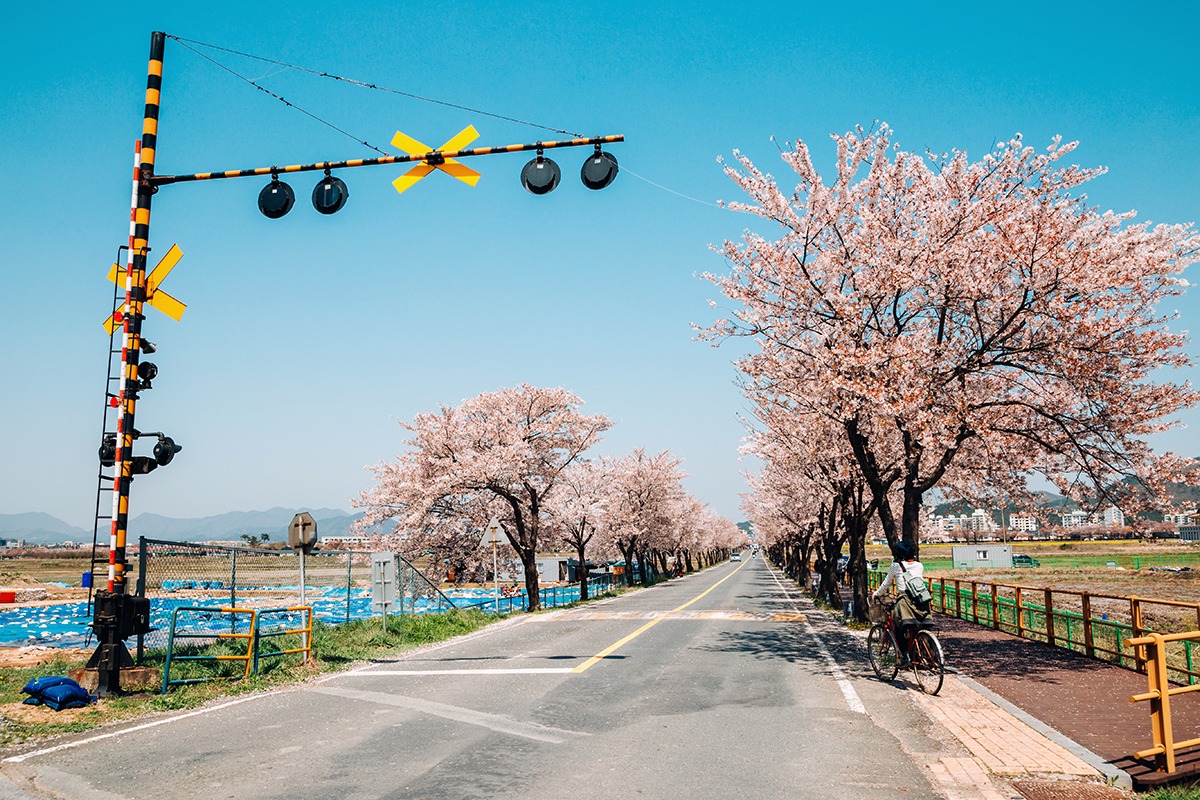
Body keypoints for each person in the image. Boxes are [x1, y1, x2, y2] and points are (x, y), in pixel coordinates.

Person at [871, 541, 930, 663]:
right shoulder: (920, 565)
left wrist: (877, 593)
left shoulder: (895, 567)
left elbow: (886, 583)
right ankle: (924, 654)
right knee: (918, 626)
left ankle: (905, 656)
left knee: (898, 628)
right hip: (921, 601)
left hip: (905, 602)